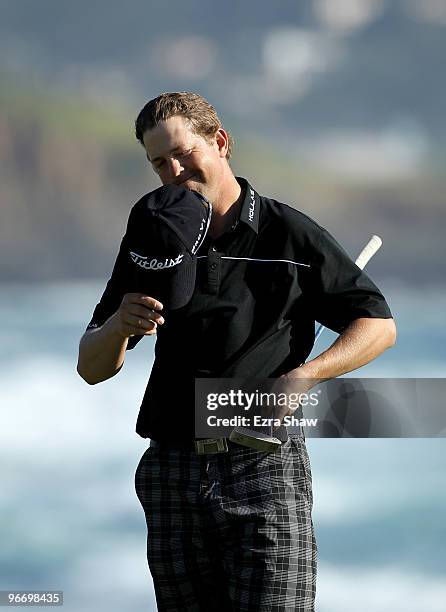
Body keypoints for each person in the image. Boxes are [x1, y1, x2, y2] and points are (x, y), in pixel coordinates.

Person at [77, 92, 396, 611]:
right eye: (159, 163)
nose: (174, 171)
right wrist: (117, 327)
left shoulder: (290, 233)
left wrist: (305, 378)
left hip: (263, 466)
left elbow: (378, 326)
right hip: (172, 471)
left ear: (220, 143)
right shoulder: (156, 235)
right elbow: (91, 368)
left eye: (184, 153)